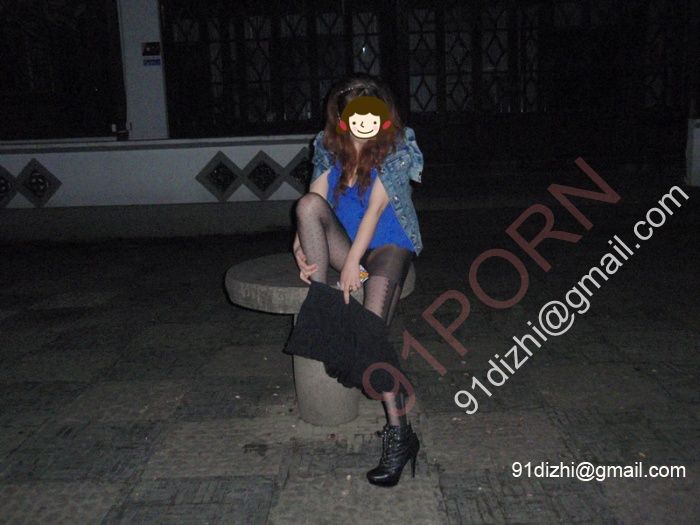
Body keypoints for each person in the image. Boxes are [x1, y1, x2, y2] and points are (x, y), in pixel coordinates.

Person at [291, 73, 424, 487]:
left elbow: (375, 212)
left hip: (387, 243)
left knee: (370, 336)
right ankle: (324, 305)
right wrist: (300, 247)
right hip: (346, 241)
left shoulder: (397, 146)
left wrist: (352, 265)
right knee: (306, 206)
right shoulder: (327, 146)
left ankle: (401, 435)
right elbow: (315, 201)